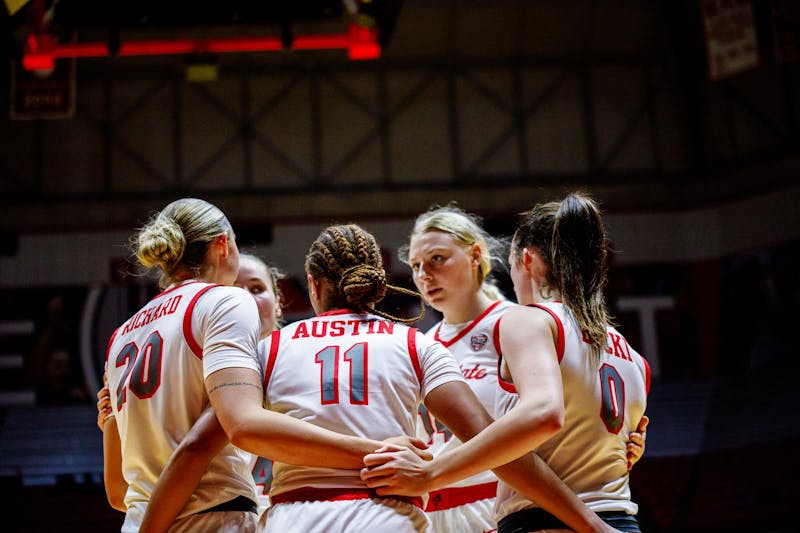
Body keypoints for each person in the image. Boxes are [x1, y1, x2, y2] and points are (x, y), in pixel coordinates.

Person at [143, 222, 620, 533]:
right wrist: (588, 524)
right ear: (377, 278)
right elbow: (499, 447)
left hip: (296, 518)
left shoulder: (269, 348)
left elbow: (201, 445)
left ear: (312, 285)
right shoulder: (417, 343)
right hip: (385, 517)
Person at [100, 198, 423, 533]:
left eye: (258, 288)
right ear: (223, 245)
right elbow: (239, 426)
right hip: (212, 516)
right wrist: (380, 452)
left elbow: (118, 491)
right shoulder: (222, 301)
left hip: (141, 521)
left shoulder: (122, 335)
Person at [361, 193, 651, 532]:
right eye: (415, 266)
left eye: (437, 259)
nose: (424, 274)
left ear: (477, 256)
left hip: (513, 504)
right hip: (438, 508)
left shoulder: (523, 322)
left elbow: (542, 415)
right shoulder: (420, 345)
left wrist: (430, 474)